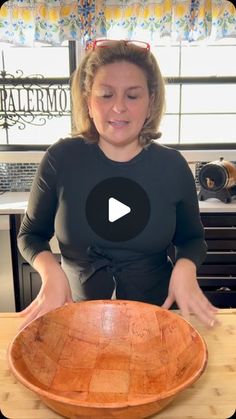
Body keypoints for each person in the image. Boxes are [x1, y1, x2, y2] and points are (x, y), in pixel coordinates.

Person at [18, 39, 218, 329]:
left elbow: (192, 240)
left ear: (150, 102)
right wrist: (50, 271)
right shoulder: (60, 159)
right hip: (77, 318)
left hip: (155, 319)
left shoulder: (173, 166)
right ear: (88, 102)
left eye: (133, 96)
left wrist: (185, 268)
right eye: (106, 94)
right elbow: (30, 235)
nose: (119, 107)